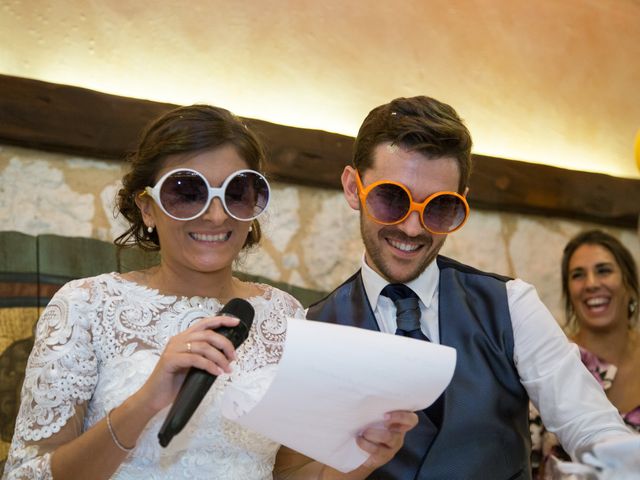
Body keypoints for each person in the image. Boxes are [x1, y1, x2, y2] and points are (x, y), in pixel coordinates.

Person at [2, 105, 417, 479]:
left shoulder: (286, 315)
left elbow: (288, 474)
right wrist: (147, 401)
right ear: (146, 207)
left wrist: (359, 462)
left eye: (236, 192)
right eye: (187, 192)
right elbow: (26, 475)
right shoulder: (84, 306)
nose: (216, 215)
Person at [306, 95, 636, 479]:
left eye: (439, 207)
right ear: (352, 187)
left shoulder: (512, 305)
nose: (413, 228)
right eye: (391, 199)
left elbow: (590, 424)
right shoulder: (314, 328)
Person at [530, 229, 639, 477]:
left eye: (604, 270)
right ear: (569, 293)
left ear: (629, 284)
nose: (591, 284)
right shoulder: (549, 361)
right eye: (578, 275)